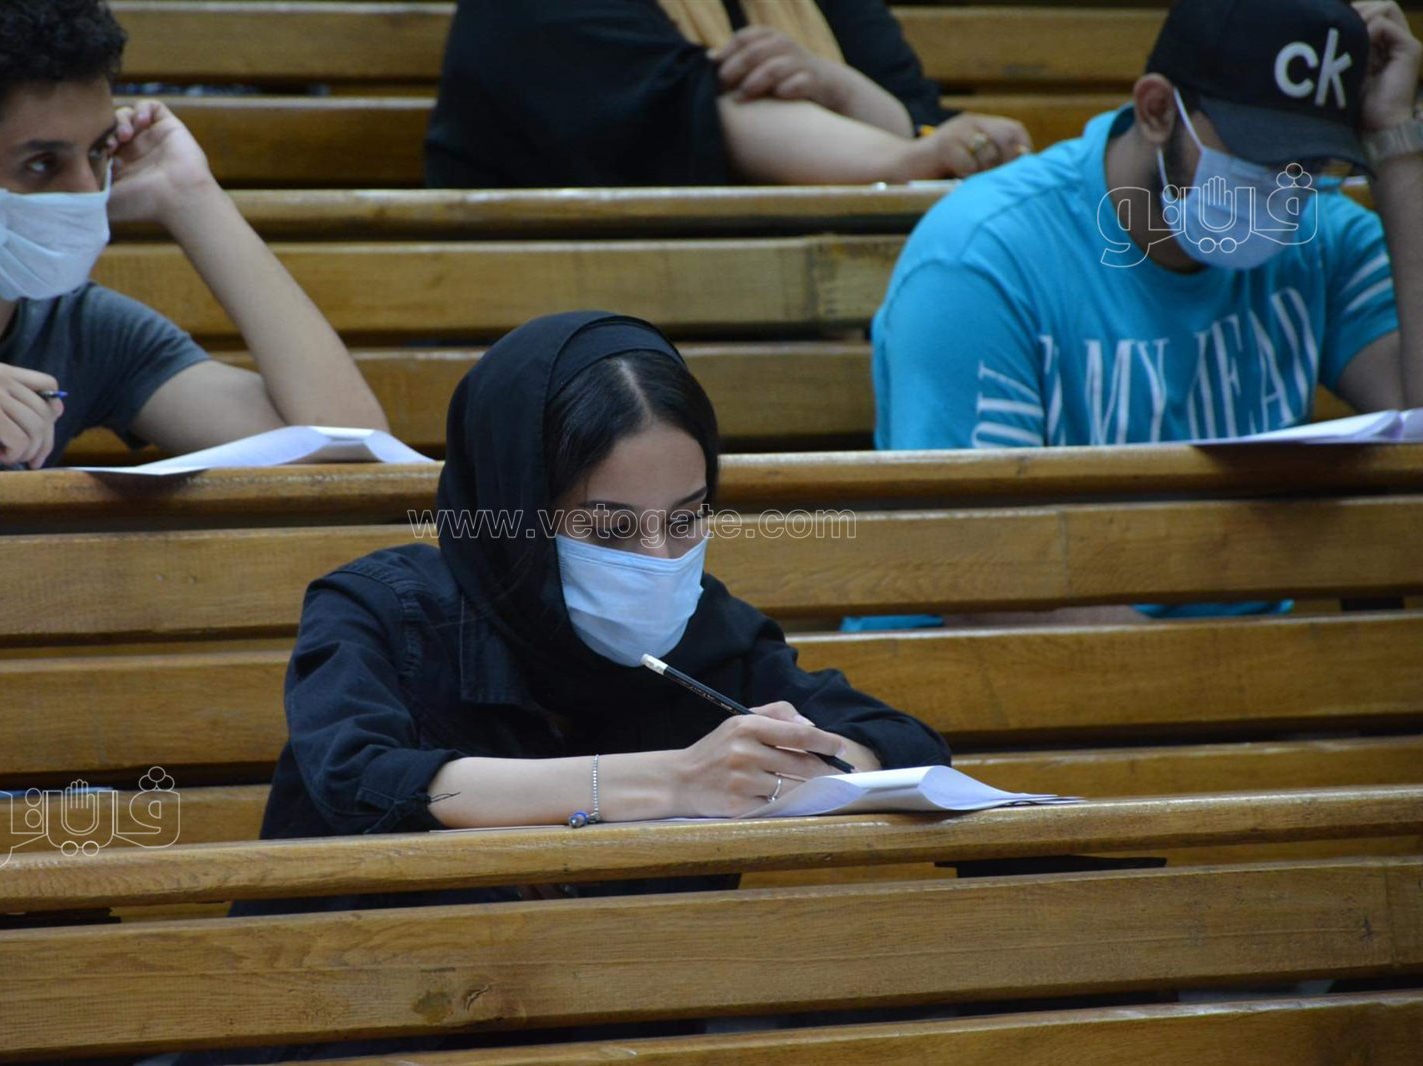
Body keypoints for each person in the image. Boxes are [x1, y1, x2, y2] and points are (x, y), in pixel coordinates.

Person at [177, 310, 947, 1061]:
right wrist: (672, 782)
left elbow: (904, 743)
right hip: (349, 1024)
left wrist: (800, 764)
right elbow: (361, 780)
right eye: (611, 529)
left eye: (686, 520)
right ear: (516, 506)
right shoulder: (382, 612)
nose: (658, 560)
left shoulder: (710, 630)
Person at [863, 0, 1421, 627]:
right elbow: (980, 585)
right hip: (990, 665)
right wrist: (1225, 674)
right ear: (1157, 110)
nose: (1284, 187)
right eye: (1258, 153)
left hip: (1239, 669)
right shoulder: (984, 256)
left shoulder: (1322, 237)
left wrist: (1397, 142)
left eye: (1312, 163)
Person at [0, 0, 388, 476]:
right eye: (43, 164)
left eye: (98, 152)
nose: (88, 190)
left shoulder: (86, 330)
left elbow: (348, 450)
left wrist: (190, 196)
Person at [425, 0, 1032, 188]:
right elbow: (701, 111)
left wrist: (843, 89)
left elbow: (915, 111)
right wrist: (913, 158)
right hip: (591, 351)